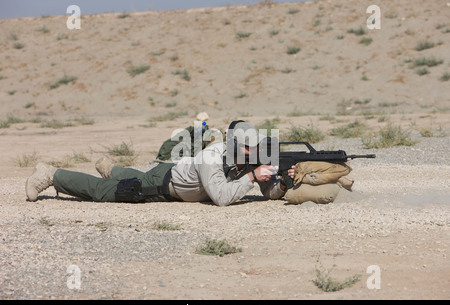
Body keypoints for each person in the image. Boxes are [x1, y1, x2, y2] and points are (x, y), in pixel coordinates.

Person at [25, 121, 295, 206]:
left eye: (257, 146)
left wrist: (282, 182)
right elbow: (222, 198)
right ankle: (51, 174)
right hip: (164, 184)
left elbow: (268, 192)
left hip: (171, 175)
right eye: (250, 146)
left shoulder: (249, 158)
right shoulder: (212, 156)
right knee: (102, 192)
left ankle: (113, 169)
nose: (256, 150)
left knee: (131, 176)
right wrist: (251, 177)